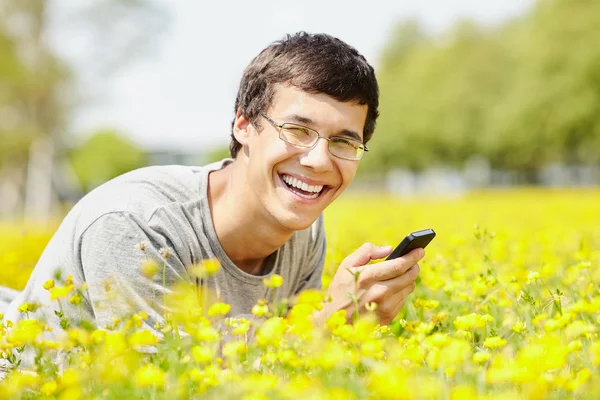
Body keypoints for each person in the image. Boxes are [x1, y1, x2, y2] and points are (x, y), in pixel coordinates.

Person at [3, 32, 423, 336]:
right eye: (296, 130)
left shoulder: (305, 229)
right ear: (244, 124)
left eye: (344, 141)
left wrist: (347, 328)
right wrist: (327, 326)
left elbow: (288, 371)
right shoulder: (136, 225)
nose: (318, 160)